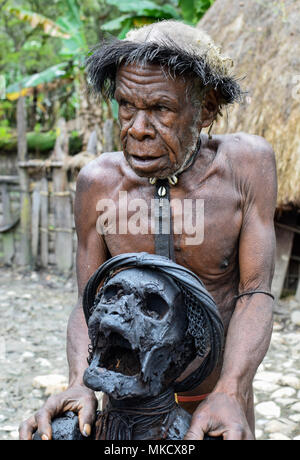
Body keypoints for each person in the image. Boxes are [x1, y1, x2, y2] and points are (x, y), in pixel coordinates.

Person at [19, 20, 277, 441]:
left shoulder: (246, 168)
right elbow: (88, 303)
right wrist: (79, 381)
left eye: (160, 109)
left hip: (215, 399)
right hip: (127, 404)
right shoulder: (97, 183)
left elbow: (254, 292)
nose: (137, 128)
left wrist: (231, 389)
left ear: (207, 106)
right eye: (126, 106)